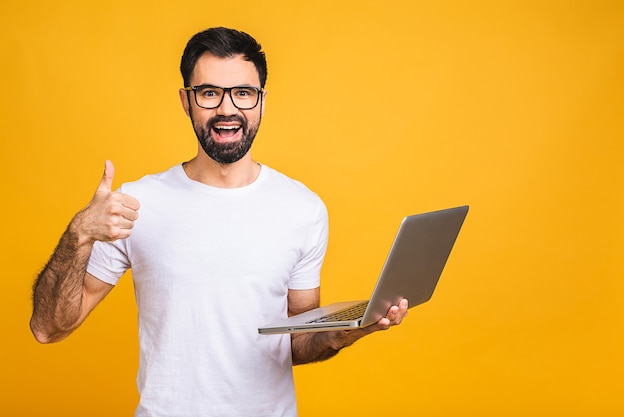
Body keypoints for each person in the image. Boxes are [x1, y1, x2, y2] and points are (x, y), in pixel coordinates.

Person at [30, 27, 409, 416]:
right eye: (210, 93)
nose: (227, 110)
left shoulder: (303, 208)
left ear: (261, 101)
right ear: (186, 101)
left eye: (243, 93)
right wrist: (78, 235)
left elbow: (296, 342)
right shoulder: (135, 203)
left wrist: (350, 330)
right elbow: (49, 328)